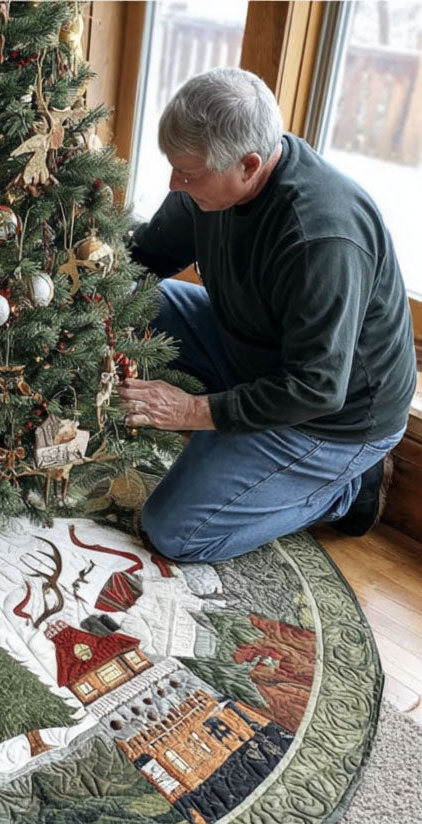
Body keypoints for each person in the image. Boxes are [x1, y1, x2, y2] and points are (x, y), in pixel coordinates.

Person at [121, 66, 417, 564]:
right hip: (255, 347)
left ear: (249, 164)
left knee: (174, 531)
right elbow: (145, 257)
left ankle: (343, 489)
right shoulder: (208, 188)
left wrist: (192, 411)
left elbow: (317, 387)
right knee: (139, 300)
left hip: (333, 415)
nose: (174, 182)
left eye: (188, 174)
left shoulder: (321, 237)